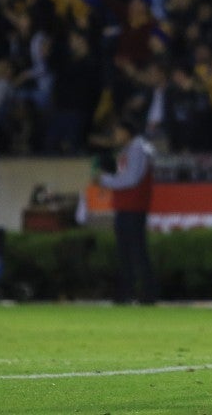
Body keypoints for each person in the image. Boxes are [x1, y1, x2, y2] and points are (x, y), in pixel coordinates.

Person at [94, 118, 157, 305]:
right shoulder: (131, 148)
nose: (115, 136)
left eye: (118, 131)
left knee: (135, 252)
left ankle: (145, 294)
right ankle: (129, 293)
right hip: (127, 206)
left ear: (127, 132)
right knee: (127, 252)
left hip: (133, 206)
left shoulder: (137, 148)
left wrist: (105, 180)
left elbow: (131, 179)